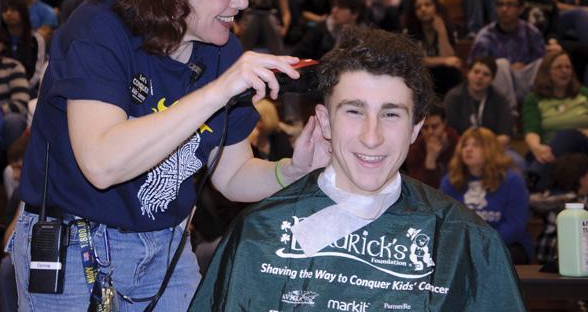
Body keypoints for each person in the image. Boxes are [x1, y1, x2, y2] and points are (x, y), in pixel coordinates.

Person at [11, 0, 330, 310]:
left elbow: (232, 175)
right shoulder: (100, 28)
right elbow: (102, 163)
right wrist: (220, 90)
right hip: (78, 245)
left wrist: (293, 171)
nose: (243, 2)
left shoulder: (221, 51)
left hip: (167, 249)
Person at [189, 27, 526, 311]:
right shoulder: (257, 233)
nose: (371, 137)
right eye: (353, 111)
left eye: (391, 114)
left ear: (415, 129)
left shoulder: (468, 242)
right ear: (324, 122)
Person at [440, 127, 533, 264]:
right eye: (465, 145)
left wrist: (482, 244)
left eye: (475, 145)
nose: (468, 149)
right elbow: (446, 221)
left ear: (490, 149)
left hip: (506, 244)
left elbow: (515, 225)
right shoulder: (451, 181)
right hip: (463, 245)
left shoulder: (512, 181)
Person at [468, 0, 556, 113]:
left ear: (520, 9)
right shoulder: (485, 36)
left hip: (526, 80)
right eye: (500, 5)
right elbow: (476, 66)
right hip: (499, 83)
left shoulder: (531, 31)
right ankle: (509, 112)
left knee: (544, 62)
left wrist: (523, 67)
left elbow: (541, 61)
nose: (504, 9)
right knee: (501, 65)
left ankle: (540, 106)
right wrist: (508, 67)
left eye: (510, 5)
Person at [522, 50, 588, 192]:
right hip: (551, 151)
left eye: (568, 67)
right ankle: (552, 195)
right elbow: (531, 129)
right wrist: (537, 148)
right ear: (546, 72)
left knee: (569, 135)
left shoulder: (584, 94)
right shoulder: (534, 99)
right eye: (559, 67)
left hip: (583, 146)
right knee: (566, 161)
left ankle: (535, 180)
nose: (564, 71)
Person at [444, 56, 513, 147]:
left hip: (493, 149)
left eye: (486, 74)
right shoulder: (453, 97)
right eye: (476, 72)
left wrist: (483, 150)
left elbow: (505, 136)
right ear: (468, 73)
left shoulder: (500, 100)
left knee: (518, 161)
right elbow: (449, 133)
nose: (480, 77)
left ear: (492, 79)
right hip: (461, 148)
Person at [403, 0, 462, 96]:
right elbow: (415, 61)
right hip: (421, 75)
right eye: (418, 7)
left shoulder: (447, 28)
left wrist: (442, 32)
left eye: (427, 5)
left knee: (451, 72)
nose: (423, 9)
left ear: (436, 8)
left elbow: (450, 59)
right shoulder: (409, 31)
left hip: (441, 76)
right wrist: (442, 61)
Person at [292, 0, 366, 60]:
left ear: (355, 13)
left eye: (341, 7)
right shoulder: (320, 30)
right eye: (334, 6)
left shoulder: (365, 35)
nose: (334, 10)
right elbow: (296, 57)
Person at [0, 22, 29, 149]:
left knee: (14, 121)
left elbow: (21, 104)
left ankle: (9, 165)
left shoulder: (13, 67)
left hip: (3, 119)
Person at [0, 0, 48, 96]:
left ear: (23, 13)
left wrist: (21, 88)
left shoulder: (36, 39)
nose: (8, 13)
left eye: (13, 10)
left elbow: (38, 72)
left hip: (29, 89)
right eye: (5, 10)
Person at [405, 103, 459, 189]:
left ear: (444, 123)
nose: (430, 132)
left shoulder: (458, 143)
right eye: (425, 127)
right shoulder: (414, 149)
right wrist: (430, 159)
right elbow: (420, 190)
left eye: (435, 126)